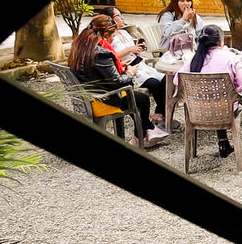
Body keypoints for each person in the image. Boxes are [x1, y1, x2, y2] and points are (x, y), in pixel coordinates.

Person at [67, 15, 169, 146]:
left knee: (136, 98)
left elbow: (98, 71)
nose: (112, 38)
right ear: (105, 34)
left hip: (86, 94)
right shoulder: (101, 52)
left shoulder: (81, 44)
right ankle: (142, 136)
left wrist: (119, 67)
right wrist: (130, 72)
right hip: (102, 98)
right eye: (112, 35)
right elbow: (119, 82)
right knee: (142, 100)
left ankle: (146, 132)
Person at [177, 25, 242, 158]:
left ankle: (221, 143)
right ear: (221, 41)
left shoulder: (194, 60)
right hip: (225, 109)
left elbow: (177, 80)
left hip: (197, 111)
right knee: (233, 99)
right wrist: (232, 91)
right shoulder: (229, 58)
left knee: (215, 101)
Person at [100, 7, 171, 129]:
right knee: (154, 84)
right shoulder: (107, 38)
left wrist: (137, 49)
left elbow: (132, 51)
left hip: (139, 64)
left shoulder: (125, 33)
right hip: (128, 69)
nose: (122, 18)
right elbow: (110, 56)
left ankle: (160, 114)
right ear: (110, 20)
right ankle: (151, 125)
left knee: (167, 79)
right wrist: (129, 50)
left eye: (121, 15)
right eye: (118, 16)